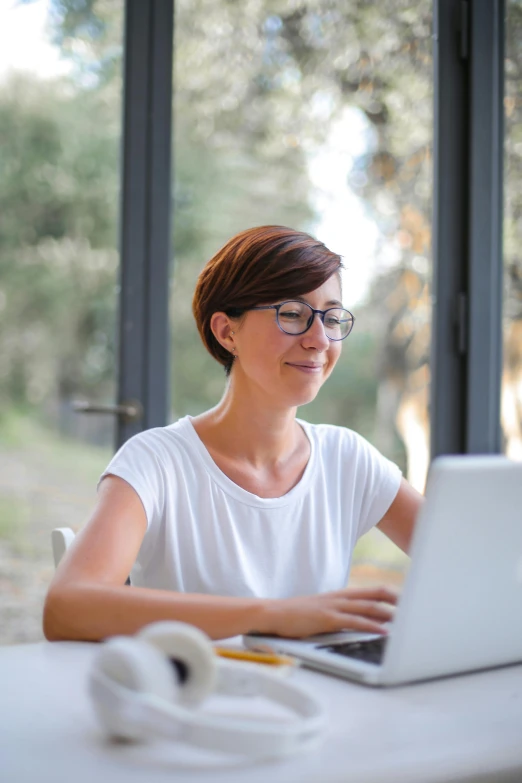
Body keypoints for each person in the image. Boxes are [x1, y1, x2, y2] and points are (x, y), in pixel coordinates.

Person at [43, 225, 423, 642]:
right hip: (195, 697)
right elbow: (67, 607)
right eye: (293, 314)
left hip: (321, 700)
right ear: (228, 332)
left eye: (332, 318)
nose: (319, 340)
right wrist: (273, 615)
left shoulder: (348, 458)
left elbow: (469, 559)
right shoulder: (156, 461)